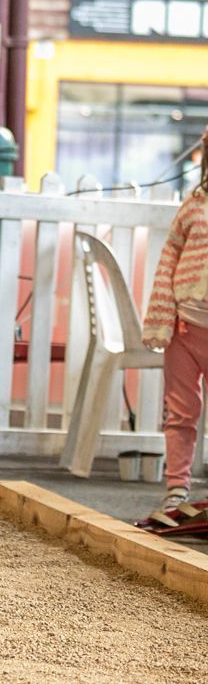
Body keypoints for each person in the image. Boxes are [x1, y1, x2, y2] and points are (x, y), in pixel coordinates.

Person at [142, 140, 208, 517]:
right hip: (184, 328)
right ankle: (177, 488)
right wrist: (161, 317)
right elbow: (168, 261)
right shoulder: (194, 206)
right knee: (181, 412)